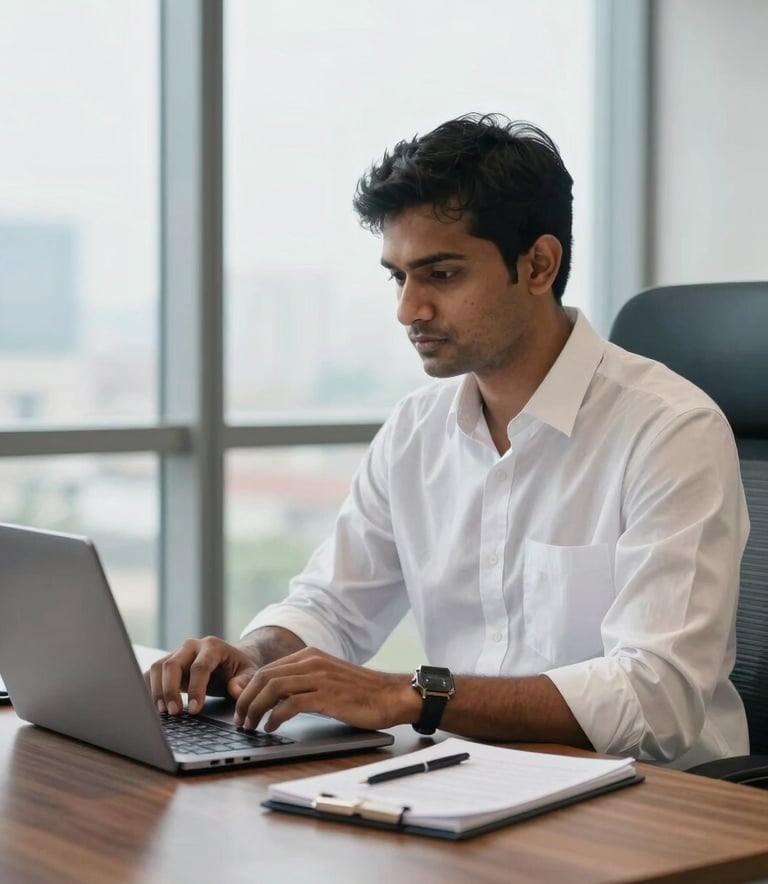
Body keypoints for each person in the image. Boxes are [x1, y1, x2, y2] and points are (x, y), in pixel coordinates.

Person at [147, 113, 749, 768]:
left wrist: (418, 694)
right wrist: (258, 655)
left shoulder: (670, 431)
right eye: (397, 277)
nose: (408, 310)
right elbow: (332, 606)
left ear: (539, 265)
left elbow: (656, 698)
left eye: (441, 275)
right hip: (471, 781)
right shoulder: (416, 429)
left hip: (654, 807)